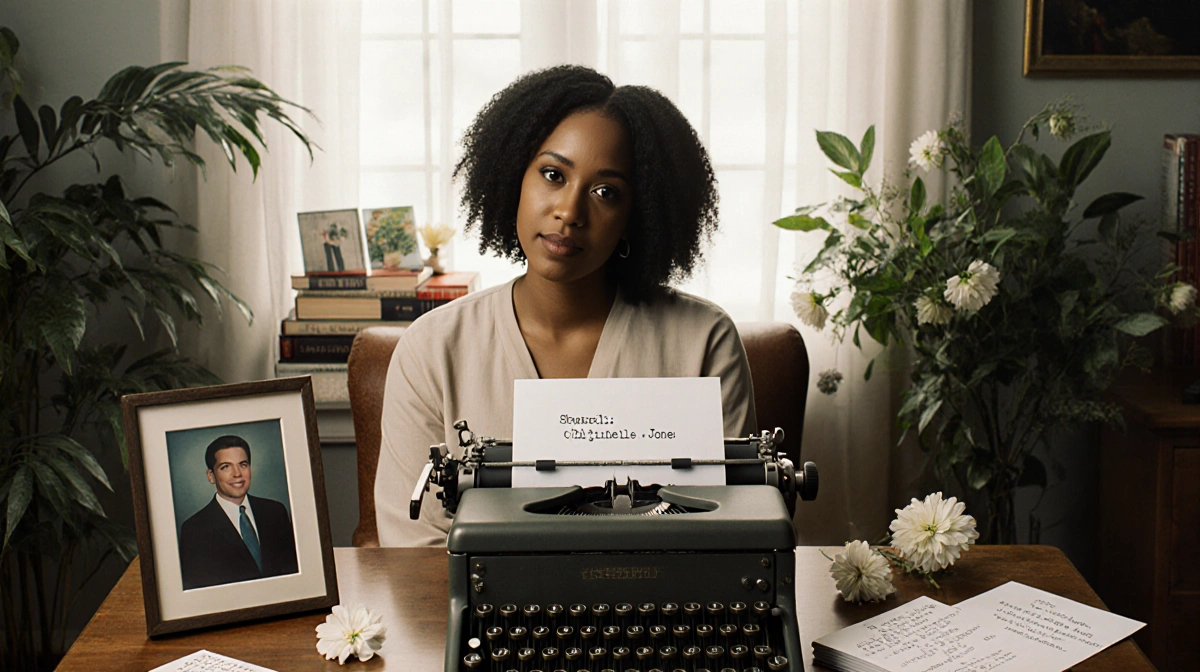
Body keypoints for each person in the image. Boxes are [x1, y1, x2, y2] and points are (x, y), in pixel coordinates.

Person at [375, 65, 757, 546]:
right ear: (514, 174)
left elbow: (739, 536)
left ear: (638, 215)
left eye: (606, 193)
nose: (570, 213)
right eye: (553, 175)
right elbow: (416, 548)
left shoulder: (705, 340)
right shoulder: (430, 349)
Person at [178, 435, 299, 590]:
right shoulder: (194, 529)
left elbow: (293, 572)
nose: (237, 474)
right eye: (225, 467)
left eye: (243, 464)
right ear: (211, 476)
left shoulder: (276, 512)